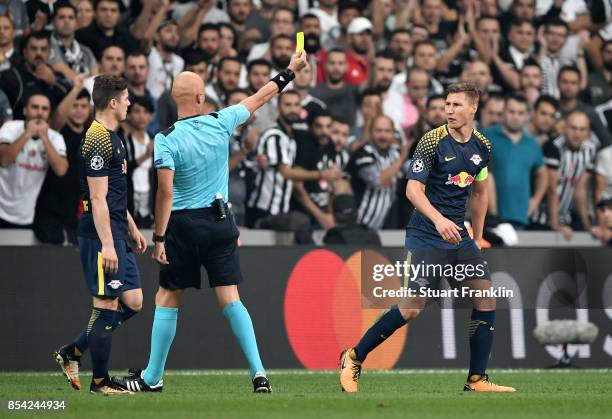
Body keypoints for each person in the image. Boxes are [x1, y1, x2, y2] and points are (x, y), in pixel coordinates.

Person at [111, 50, 310, 394]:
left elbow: (165, 194)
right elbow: (263, 95)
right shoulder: (222, 120)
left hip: (184, 227)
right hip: (221, 222)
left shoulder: (166, 138)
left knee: (168, 296)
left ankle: (152, 377)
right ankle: (259, 374)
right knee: (231, 298)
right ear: (201, 97)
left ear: (175, 100)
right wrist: (291, 70)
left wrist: (159, 239)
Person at [339, 82, 516, 394]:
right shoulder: (431, 142)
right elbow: (412, 190)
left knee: (485, 297)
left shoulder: (483, 146)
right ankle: (354, 357)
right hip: (425, 234)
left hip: (459, 236)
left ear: (473, 108)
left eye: (457, 105)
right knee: (411, 308)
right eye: (447, 104)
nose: (449, 110)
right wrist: (438, 220)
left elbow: (480, 190)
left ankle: (476, 380)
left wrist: (476, 233)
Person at [52, 75, 147, 395]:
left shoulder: (115, 137)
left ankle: (72, 352)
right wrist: (108, 244)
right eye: (127, 98)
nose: (131, 104)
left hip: (119, 230)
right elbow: (97, 199)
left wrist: (132, 227)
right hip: (99, 235)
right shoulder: (96, 140)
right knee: (106, 303)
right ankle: (101, 381)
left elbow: (116, 193)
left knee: (133, 302)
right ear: (113, 102)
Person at [0, 94, 68, 228]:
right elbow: (3, 160)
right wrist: (27, 134)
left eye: (44, 109)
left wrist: (45, 138)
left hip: (27, 215)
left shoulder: (55, 138)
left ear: (49, 114)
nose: (39, 113)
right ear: (25, 110)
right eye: (35, 107)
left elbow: (61, 170)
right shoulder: (10, 128)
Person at [483, 94, 546, 228]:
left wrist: (535, 200)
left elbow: (543, 174)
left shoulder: (532, 144)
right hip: (489, 217)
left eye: (520, 113)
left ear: (527, 116)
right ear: (504, 112)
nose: (516, 116)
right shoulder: (485, 136)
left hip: (520, 216)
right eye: (511, 112)